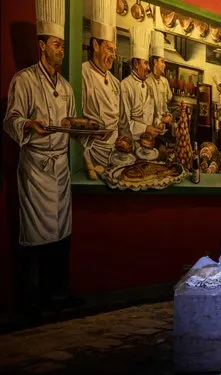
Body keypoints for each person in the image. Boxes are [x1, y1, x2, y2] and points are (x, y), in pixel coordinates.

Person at [3, 0, 84, 322]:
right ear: (42, 46)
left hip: (60, 167)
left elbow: (71, 123)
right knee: (35, 235)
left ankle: (59, 292)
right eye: (56, 44)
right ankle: (31, 299)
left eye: (63, 44)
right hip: (35, 167)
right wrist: (28, 124)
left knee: (62, 233)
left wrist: (81, 128)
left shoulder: (65, 87)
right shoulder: (23, 81)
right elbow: (10, 118)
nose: (61, 49)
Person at [81, 0, 130, 179]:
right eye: (109, 49)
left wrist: (126, 141)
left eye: (114, 51)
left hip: (116, 154)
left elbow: (123, 122)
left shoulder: (116, 82)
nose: (113, 56)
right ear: (95, 45)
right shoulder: (82, 74)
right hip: (91, 153)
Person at [120, 25, 162, 154]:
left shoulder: (149, 86)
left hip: (148, 144)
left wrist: (158, 123)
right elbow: (124, 123)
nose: (148, 68)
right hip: (131, 145)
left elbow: (152, 115)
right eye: (145, 63)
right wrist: (145, 128)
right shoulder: (126, 85)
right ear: (135, 64)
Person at [147, 30, 173, 132]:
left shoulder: (164, 81)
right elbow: (147, 112)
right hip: (152, 128)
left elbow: (166, 102)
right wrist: (160, 119)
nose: (164, 65)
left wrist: (167, 113)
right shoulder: (147, 82)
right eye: (162, 61)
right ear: (155, 62)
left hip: (163, 128)